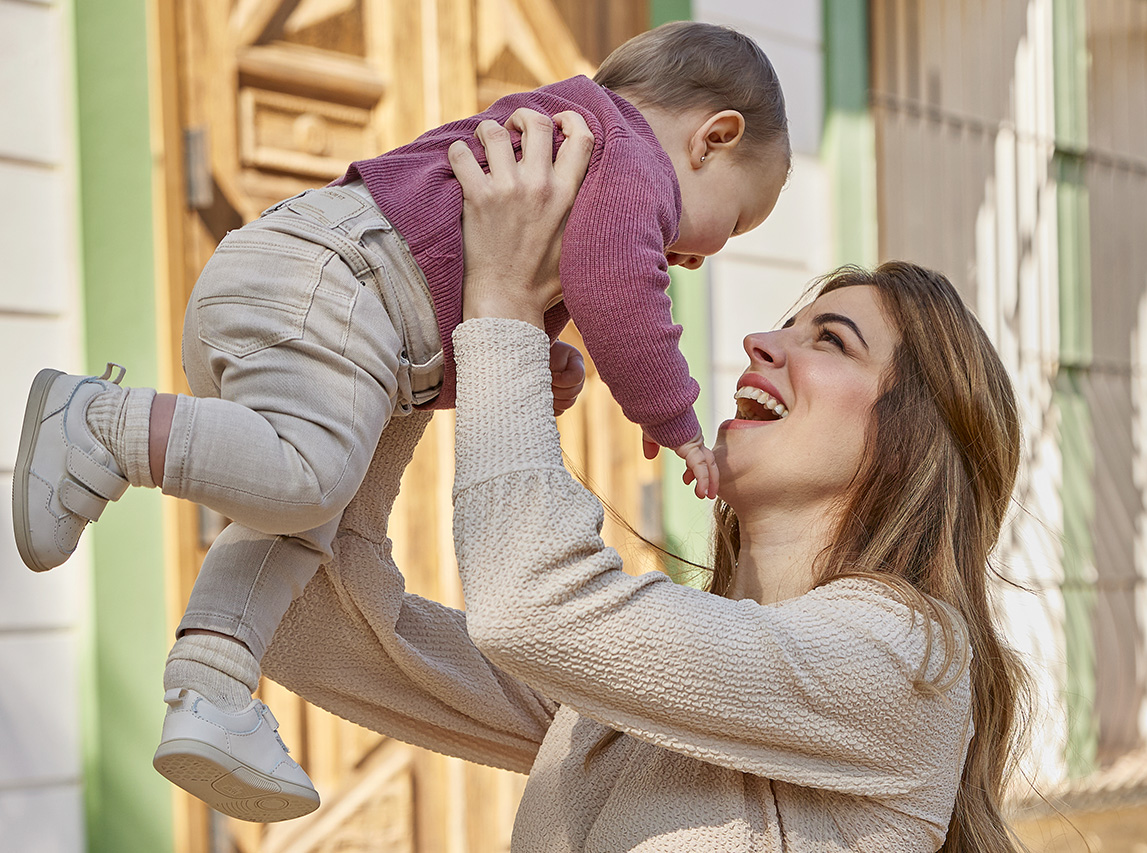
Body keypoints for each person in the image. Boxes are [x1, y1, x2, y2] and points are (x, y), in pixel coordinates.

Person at [11, 22, 789, 820]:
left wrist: (524, 359)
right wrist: (675, 416)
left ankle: (211, 685)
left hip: (322, 296)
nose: (699, 258)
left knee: (309, 519)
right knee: (307, 478)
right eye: (733, 226)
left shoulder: (580, 148)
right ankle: (103, 425)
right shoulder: (629, 158)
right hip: (335, 283)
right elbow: (624, 289)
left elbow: (482, 286)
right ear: (713, 139)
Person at [259, 114, 1029, 851]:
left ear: (910, 439)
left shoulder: (906, 659)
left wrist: (504, 308)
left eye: (830, 339)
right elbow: (308, 623)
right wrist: (409, 333)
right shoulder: (629, 688)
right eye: (786, 325)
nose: (761, 342)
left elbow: (532, 607)